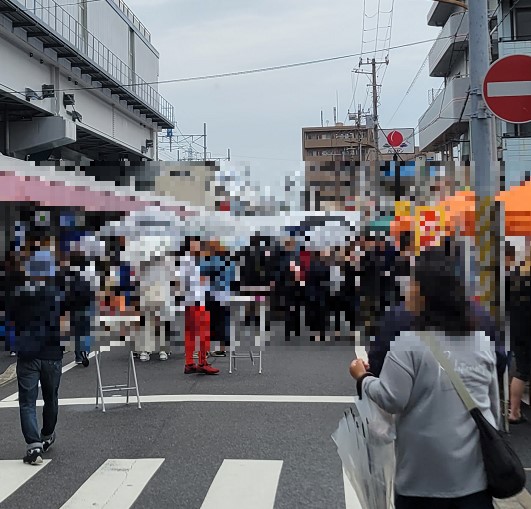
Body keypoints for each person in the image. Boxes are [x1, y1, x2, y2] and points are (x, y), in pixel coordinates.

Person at [350, 247, 500, 509]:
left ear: (422, 293)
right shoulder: (480, 341)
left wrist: (362, 377)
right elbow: (493, 405)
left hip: (422, 477)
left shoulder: (409, 343)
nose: (407, 290)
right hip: (474, 477)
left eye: (411, 284)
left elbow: (390, 398)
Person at [6, 238, 72, 465]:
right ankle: (47, 435)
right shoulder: (58, 293)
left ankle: (33, 446)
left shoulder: (19, 293)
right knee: (51, 397)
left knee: (27, 401)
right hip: (52, 353)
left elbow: (10, 319)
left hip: (27, 353)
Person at [180, 237, 219, 375]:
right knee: (202, 333)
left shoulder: (188, 260)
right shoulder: (192, 261)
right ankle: (202, 362)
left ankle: (189, 362)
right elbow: (199, 281)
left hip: (191, 300)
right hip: (197, 300)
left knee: (191, 334)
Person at [506, 250, 531, 424]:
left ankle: (514, 412)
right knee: (524, 371)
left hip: (516, 327)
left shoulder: (513, 277)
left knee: (522, 370)